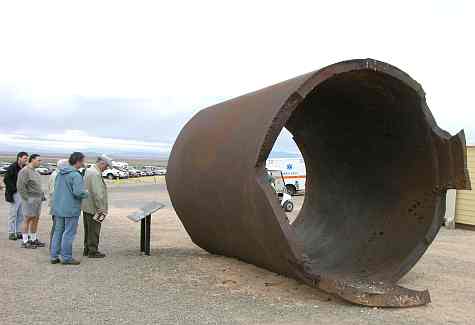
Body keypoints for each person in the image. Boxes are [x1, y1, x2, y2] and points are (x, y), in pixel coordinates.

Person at [51, 152, 88, 265]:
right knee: (69, 233)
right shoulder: (76, 175)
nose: (83, 163)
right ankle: (66, 257)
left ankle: (54, 256)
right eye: (82, 161)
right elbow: (78, 192)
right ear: (78, 161)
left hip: (58, 207)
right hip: (71, 209)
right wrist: (86, 193)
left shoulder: (60, 173)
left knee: (58, 232)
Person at [81, 154, 111, 258]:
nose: (106, 169)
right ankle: (93, 251)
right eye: (106, 166)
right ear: (102, 163)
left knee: (88, 229)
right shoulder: (95, 174)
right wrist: (101, 209)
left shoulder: (89, 171)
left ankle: (87, 249)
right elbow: (98, 194)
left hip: (87, 206)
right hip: (94, 208)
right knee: (94, 230)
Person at [17, 154, 46, 248]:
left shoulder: (35, 172)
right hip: (30, 198)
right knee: (27, 219)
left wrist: (42, 195)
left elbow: (37, 186)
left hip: (37, 199)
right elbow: (20, 186)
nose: (40, 162)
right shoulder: (25, 171)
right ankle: (25, 241)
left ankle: (33, 239)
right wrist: (26, 199)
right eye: (38, 160)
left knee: (35, 219)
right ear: (32, 160)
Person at [3, 152, 28, 240]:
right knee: (13, 214)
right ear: (19, 158)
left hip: (23, 193)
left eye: (26, 158)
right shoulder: (12, 168)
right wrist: (15, 189)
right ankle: (11, 232)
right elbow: (6, 180)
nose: (26, 160)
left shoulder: (25, 168)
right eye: (25, 158)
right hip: (14, 193)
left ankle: (18, 232)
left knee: (21, 214)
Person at [47, 159, 69, 245]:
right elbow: (54, 192)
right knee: (57, 228)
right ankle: (54, 247)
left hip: (58, 205)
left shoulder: (58, 174)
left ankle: (55, 246)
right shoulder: (56, 175)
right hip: (57, 206)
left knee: (59, 227)